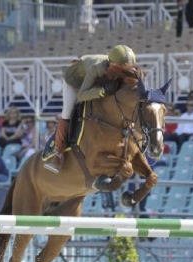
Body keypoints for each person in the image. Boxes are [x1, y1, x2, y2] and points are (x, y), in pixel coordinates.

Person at [44, 44, 137, 173]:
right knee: (67, 113)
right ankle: (57, 154)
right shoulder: (97, 68)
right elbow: (82, 95)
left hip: (93, 84)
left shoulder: (120, 70)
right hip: (76, 81)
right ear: (114, 65)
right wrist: (102, 91)